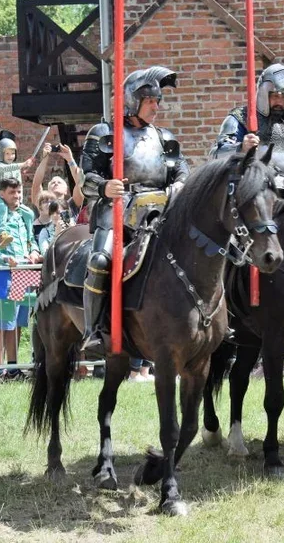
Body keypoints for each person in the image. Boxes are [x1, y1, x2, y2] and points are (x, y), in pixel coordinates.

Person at [80, 66, 190, 352]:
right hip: (118, 213)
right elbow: (85, 178)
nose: (157, 106)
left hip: (161, 215)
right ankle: (94, 330)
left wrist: (179, 184)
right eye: (151, 101)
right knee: (100, 262)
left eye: (158, 101)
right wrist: (105, 187)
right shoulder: (105, 133)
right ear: (132, 101)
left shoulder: (163, 137)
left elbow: (181, 169)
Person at [211, 63, 284, 191]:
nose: (280, 102)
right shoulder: (239, 118)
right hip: (250, 190)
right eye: (275, 96)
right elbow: (216, 155)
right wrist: (241, 147)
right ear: (264, 94)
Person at [0, 177, 42, 377]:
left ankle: (13, 367)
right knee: (1, 323)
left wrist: (34, 252)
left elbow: (31, 240)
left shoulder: (24, 215)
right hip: (3, 274)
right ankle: (0, 370)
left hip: (24, 273)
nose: (16, 196)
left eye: (18, 192)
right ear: (2, 194)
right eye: (11, 192)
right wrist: (5, 259)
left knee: (17, 323)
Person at [0, 130, 34, 220]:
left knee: (29, 214)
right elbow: (5, 168)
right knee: (2, 207)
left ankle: (30, 233)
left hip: (11, 200)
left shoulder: (15, 168)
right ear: (1, 153)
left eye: (12, 153)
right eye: (7, 153)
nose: (10, 156)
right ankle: (2, 231)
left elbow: (19, 186)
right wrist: (23, 164)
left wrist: (20, 201)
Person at [30, 142, 84, 223]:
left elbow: (80, 182)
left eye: (59, 182)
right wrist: (45, 158)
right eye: (52, 182)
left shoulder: (72, 205)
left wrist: (70, 159)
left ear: (66, 190)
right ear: (48, 191)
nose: (56, 183)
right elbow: (36, 185)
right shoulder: (42, 205)